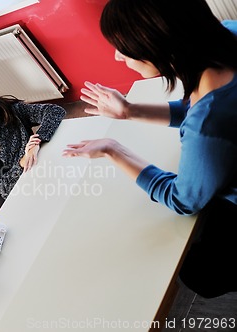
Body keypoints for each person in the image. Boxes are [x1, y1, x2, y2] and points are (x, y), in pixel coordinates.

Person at [63, 0, 237, 299]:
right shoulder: (226, 34)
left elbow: (183, 199)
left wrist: (112, 149)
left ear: (162, 47)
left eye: (124, 48)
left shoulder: (208, 125)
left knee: (197, 273)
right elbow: (201, 109)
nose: (119, 56)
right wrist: (129, 110)